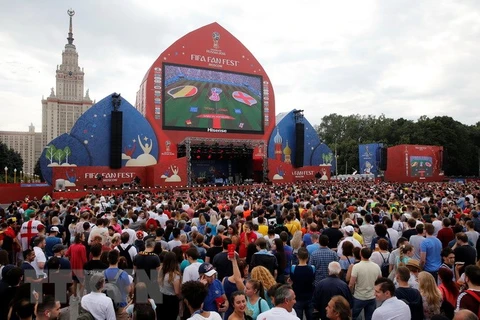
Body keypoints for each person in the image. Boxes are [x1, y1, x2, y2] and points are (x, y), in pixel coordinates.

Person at [349, 248, 381, 320]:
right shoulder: (376, 266)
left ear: (361, 254)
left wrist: (350, 293)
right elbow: (380, 280)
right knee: (369, 317)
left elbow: (351, 283)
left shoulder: (356, 266)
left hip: (359, 296)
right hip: (372, 296)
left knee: (353, 316)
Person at [290, 247, 314, 320]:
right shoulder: (312, 268)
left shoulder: (293, 268)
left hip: (297, 297)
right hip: (309, 296)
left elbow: (292, 280)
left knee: (298, 318)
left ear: (297, 256)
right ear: (307, 257)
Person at [158, 251, 182, 320]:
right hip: (171, 301)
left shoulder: (161, 270)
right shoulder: (175, 275)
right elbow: (177, 292)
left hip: (161, 297)